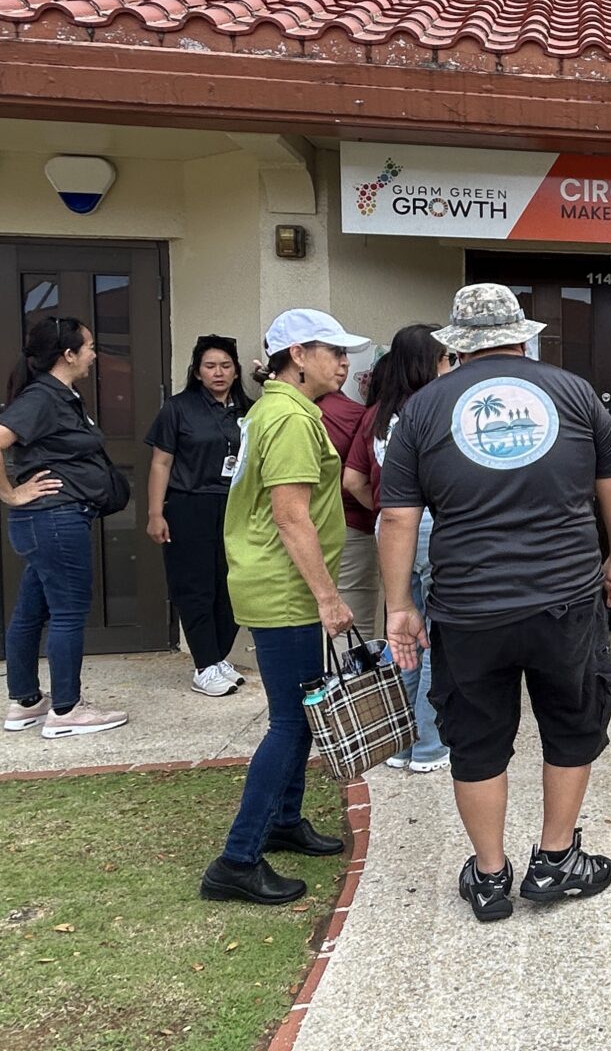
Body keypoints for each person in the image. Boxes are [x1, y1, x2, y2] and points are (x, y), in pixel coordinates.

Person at [379, 284, 611, 924]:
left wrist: (398, 606)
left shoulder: (422, 410)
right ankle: (555, 860)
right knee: (573, 721)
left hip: (468, 605)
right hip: (566, 599)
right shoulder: (574, 393)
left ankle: (490, 877)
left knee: (476, 738)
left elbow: (397, 519)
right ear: (524, 336)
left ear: (458, 344)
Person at [199, 309, 368, 906]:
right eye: (335, 351)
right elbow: (290, 514)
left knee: (297, 715)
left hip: (276, 583)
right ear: (298, 354)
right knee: (293, 722)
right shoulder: (290, 420)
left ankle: (283, 821)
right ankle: (237, 859)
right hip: (286, 590)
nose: (345, 362)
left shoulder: (277, 409)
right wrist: (328, 596)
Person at [0, 316, 129, 739]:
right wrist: (11, 493)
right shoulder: (42, 398)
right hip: (55, 520)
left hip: (48, 523)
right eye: (89, 346)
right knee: (68, 614)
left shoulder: (60, 395)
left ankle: (25, 703)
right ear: (68, 354)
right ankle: (66, 710)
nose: (95, 354)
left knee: (31, 613)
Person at [344, 323, 451, 774]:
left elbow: (352, 480)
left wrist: (387, 512)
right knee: (433, 640)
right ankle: (428, 745)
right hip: (430, 526)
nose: (451, 367)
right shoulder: (437, 409)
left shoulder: (375, 415)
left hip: (389, 529)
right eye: (446, 359)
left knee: (401, 635)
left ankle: (401, 745)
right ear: (429, 363)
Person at [146, 334, 253, 699]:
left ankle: (217, 656)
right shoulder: (178, 408)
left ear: (237, 371)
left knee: (230, 585)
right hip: (188, 505)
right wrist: (155, 512)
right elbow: (161, 462)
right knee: (195, 587)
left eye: (225, 366)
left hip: (234, 506)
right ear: (197, 371)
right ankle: (205, 665)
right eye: (210, 366)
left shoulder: (249, 410)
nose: (218, 373)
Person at [317, 357, 380, 641]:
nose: (343, 364)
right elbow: (354, 481)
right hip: (352, 525)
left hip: (307, 527)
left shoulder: (273, 411)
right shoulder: (356, 415)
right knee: (353, 628)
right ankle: (349, 686)